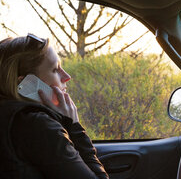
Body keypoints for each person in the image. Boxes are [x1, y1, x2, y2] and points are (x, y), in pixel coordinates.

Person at [0, 34, 109, 178]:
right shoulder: (37, 125)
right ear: (27, 84)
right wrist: (74, 126)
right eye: (55, 69)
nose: (67, 76)